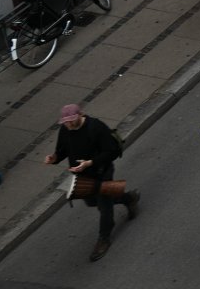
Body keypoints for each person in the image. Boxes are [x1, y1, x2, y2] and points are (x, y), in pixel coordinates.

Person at [46, 103, 136, 262]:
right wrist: (54, 159)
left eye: (71, 120)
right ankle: (128, 198)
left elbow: (111, 151)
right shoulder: (65, 130)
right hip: (83, 176)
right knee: (91, 202)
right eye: (65, 122)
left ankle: (104, 238)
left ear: (80, 115)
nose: (68, 124)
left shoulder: (96, 127)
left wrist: (90, 163)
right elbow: (62, 151)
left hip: (101, 172)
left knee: (104, 205)